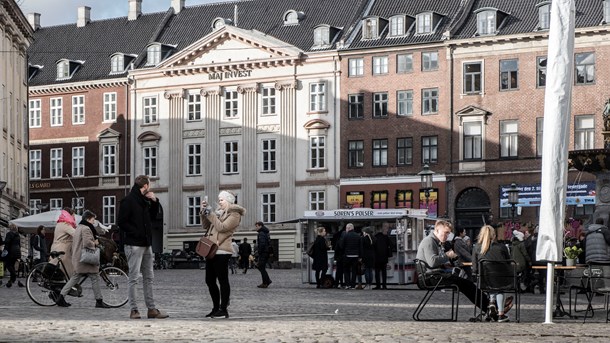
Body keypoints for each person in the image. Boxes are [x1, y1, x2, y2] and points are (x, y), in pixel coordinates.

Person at [118, 175, 168, 320]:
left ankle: (151, 309)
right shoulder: (128, 201)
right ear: (145, 186)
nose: (150, 187)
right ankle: (134, 310)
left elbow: (152, 218)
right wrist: (136, 233)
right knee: (133, 278)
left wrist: (154, 201)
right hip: (134, 244)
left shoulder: (144, 200)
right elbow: (122, 222)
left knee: (149, 277)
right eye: (149, 185)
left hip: (146, 244)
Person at [416, 220, 490, 314]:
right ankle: (489, 307)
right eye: (445, 233)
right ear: (437, 230)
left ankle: (489, 306)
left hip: (432, 276)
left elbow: (431, 263)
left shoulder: (434, 241)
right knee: (466, 284)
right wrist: (448, 255)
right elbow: (432, 262)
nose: (447, 236)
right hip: (429, 278)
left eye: (448, 233)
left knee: (466, 283)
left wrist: (445, 264)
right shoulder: (429, 241)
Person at [200, 190, 245, 318]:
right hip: (211, 249)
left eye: (221, 199)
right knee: (209, 280)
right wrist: (204, 212)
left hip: (222, 250)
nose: (219, 202)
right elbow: (205, 226)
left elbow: (221, 228)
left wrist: (211, 213)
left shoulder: (235, 215)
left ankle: (223, 308)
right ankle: (215, 308)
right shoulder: (218, 213)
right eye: (219, 199)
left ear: (229, 200)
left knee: (222, 280)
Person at [53, 210, 111, 308]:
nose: (94, 222)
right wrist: (95, 243)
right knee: (95, 277)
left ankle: (60, 297)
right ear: (88, 219)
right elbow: (87, 243)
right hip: (85, 259)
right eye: (93, 219)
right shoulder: (86, 229)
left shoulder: (79, 227)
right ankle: (99, 301)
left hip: (78, 258)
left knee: (75, 278)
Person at [473, 225, 514, 322]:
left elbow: (474, 268)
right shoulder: (502, 247)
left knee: (490, 282)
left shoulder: (477, 248)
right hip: (501, 280)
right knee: (499, 288)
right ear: (494, 236)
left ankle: (491, 302)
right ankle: (501, 314)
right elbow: (508, 264)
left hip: (485, 280)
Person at [50, 208, 77, 277]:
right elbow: (76, 234)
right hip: (63, 249)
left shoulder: (60, 223)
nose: (74, 217)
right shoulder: (65, 224)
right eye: (73, 215)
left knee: (59, 267)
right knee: (67, 269)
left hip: (57, 247)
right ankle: (69, 285)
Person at [339, 223, 361, 289]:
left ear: (348, 228)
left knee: (346, 270)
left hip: (347, 255)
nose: (346, 229)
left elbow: (341, 246)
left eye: (346, 228)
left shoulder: (345, 236)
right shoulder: (358, 236)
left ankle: (347, 284)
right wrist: (360, 256)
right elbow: (360, 247)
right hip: (355, 256)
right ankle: (353, 285)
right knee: (354, 271)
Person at [3, 223, 24, 288]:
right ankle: (11, 281)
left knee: (8, 265)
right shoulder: (18, 235)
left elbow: (7, 243)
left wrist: (4, 251)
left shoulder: (9, 234)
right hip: (17, 252)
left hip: (11, 252)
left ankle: (13, 275)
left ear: (10, 228)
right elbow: (19, 245)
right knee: (12, 265)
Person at [373, 223, 392, 290]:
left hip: (377, 258)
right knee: (384, 272)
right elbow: (390, 246)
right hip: (384, 258)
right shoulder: (386, 237)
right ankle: (384, 285)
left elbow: (373, 247)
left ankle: (378, 285)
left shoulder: (375, 237)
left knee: (377, 272)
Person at [256, 221, 272, 288]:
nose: (256, 228)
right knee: (261, 267)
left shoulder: (261, 233)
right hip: (266, 252)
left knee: (261, 267)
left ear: (260, 226)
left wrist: (259, 251)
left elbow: (262, 244)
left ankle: (266, 282)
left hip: (263, 253)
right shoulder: (265, 232)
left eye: (256, 226)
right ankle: (266, 281)